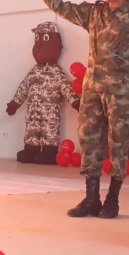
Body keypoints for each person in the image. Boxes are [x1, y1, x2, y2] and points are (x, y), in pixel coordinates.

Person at [21, 0, 129, 219]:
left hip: (121, 92)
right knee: (90, 141)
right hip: (93, 90)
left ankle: (112, 200)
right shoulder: (94, 12)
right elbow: (60, 6)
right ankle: (91, 198)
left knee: (118, 144)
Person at [6, 22, 80, 164]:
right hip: (32, 112)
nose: (39, 45)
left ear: (59, 48)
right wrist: (14, 104)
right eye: (37, 39)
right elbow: (23, 88)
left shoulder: (57, 73)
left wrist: (76, 102)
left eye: (45, 39)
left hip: (50, 114)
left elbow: (66, 89)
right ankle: (30, 150)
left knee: (50, 132)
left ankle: (49, 152)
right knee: (31, 130)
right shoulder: (34, 71)